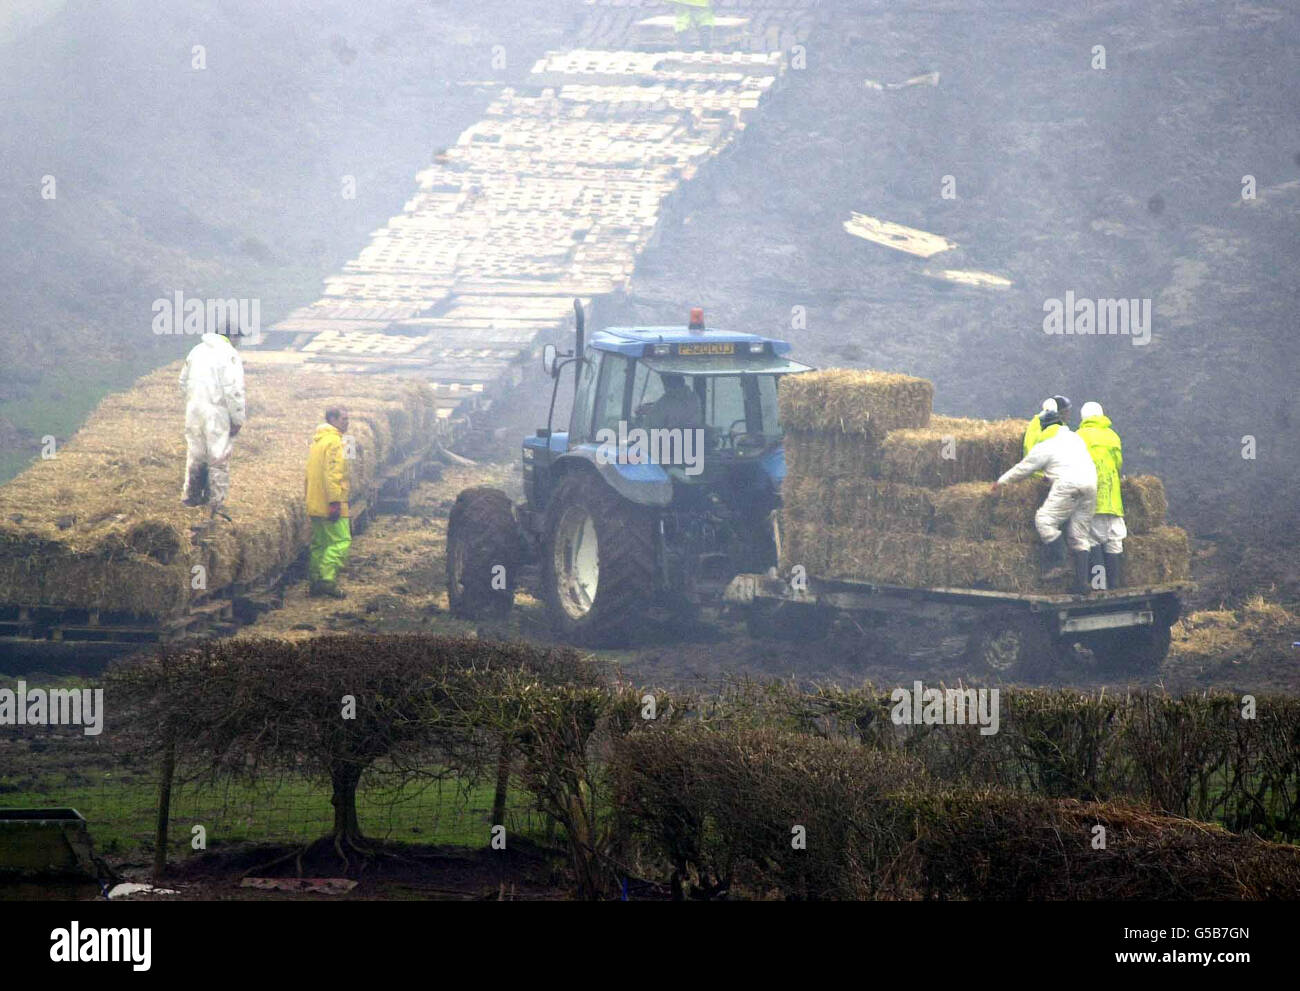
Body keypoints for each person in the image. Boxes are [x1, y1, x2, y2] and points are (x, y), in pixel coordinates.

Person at [992, 407, 1098, 595]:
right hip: (1091, 484)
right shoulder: (1075, 438)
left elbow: (1023, 469)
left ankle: (1060, 562)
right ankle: (1082, 583)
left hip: (1069, 484)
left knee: (1044, 520)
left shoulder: (1046, 445)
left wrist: (1001, 482)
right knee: (1079, 534)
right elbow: (1068, 462)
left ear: (1043, 426)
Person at [179, 323, 246, 513]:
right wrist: (237, 419)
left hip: (193, 410)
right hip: (217, 412)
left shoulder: (197, 350)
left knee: (195, 454)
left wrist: (194, 400)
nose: (238, 342)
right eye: (238, 338)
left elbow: (182, 382)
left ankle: (191, 497)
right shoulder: (229, 354)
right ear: (232, 336)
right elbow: (233, 391)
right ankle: (215, 502)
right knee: (218, 456)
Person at [1076, 401, 1126, 589]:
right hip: (1114, 502)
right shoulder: (1113, 436)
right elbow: (1118, 464)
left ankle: (1099, 585)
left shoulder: (1079, 437)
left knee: (1092, 541)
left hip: (1092, 500)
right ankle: (1114, 584)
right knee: (1114, 540)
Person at [305, 407, 352, 598]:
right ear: (332, 419)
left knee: (320, 544)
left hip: (315, 502)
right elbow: (333, 474)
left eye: (348, 419)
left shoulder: (318, 442)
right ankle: (327, 580)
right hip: (330, 502)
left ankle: (315, 580)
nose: (347, 422)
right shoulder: (334, 442)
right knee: (342, 540)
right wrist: (335, 501)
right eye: (343, 419)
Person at [636, 373, 703, 430]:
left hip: (669, 441)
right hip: (692, 439)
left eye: (665, 382)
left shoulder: (665, 402)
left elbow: (651, 425)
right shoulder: (695, 398)